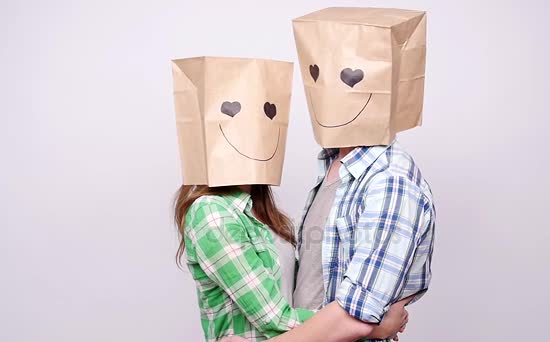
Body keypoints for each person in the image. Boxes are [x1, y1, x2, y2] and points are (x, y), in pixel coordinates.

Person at [171, 56, 410, 342]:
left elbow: (299, 295)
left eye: (267, 116)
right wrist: (371, 324)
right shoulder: (212, 212)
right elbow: (275, 318)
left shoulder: (262, 212)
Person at [291, 8, 436, 341]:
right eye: (316, 73)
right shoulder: (331, 165)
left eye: (346, 77)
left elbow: (355, 316)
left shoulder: (390, 178)